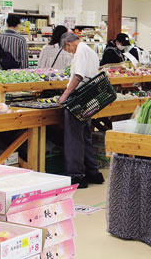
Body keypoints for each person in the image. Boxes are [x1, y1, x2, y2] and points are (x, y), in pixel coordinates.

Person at [57, 32, 104, 189]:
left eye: (67, 49)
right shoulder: (90, 50)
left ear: (69, 44)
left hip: (78, 98)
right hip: (89, 96)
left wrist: (65, 95)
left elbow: (78, 75)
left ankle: (76, 176)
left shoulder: (81, 51)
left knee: (73, 137)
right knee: (85, 136)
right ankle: (93, 172)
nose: (69, 52)